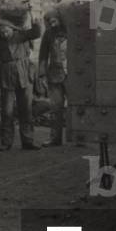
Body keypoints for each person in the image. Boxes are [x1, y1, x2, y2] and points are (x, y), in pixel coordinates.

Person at [0, 12, 43, 151]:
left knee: (26, 109)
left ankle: (28, 140)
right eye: (1, 31)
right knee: (7, 111)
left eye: (5, 31)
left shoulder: (21, 35)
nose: (3, 34)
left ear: (12, 29)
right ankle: (6, 141)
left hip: (24, 73)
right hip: (6, 76)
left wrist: (34, 19)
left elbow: (36, 33)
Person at [37, 8, 68, 147]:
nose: (52, 24)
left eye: (54, 21)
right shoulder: (48, 34)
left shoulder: (71, 32)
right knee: (56, 107)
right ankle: (55, 138)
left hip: (73, 75)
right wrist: (42, 74)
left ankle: (79, 137)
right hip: (55, 75)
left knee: (76, 107)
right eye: (50, 22)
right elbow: (43, 55)